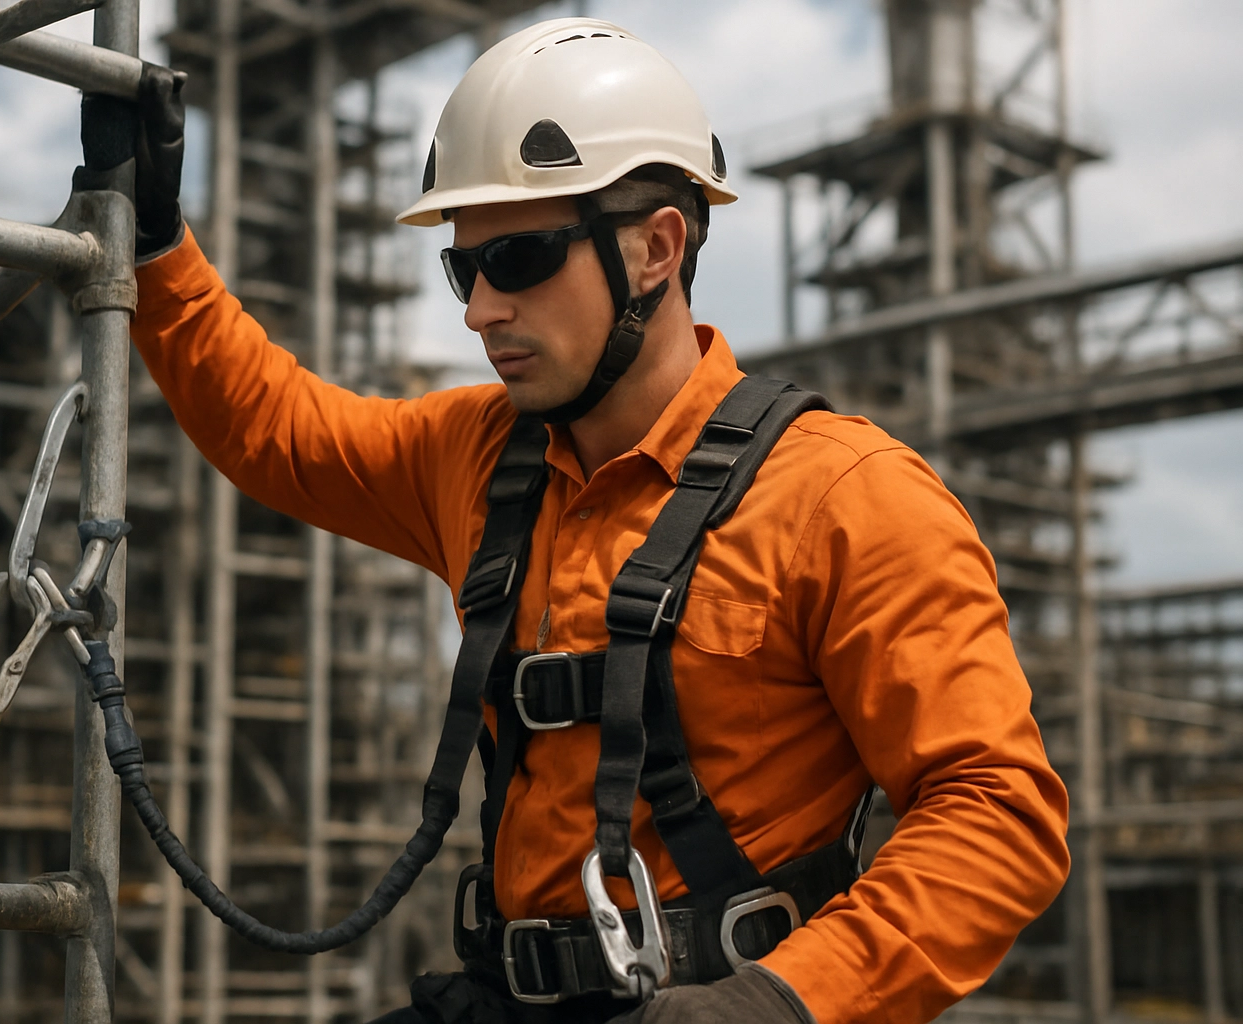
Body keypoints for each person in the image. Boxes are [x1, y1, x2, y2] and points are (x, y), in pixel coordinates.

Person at [127, 17, 1070, 1024]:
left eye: (519, 257)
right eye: (464, 269)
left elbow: (996, 812)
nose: (480, 309)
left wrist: (776, 1003)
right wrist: (156, 240)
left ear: (657, 247)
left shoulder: (844, 496)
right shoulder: (476, 455)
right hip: (505, 998)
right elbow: (277, 430)